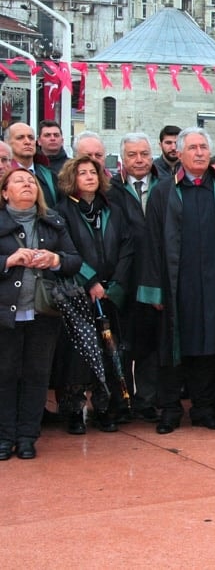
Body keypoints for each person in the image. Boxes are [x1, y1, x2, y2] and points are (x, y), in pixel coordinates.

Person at [138, 127, 215, 434]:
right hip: (175, 286)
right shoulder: (163, 191)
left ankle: (203, 409)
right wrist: (155, 290)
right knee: (173, 348)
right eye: (192, 148)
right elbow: (152, 241)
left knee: (209, 348)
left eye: (203, 147)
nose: (199, 152)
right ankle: (169, 410)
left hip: (213, 285)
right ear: (179, 154)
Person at [0, 168, 82, 460]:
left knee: (36, 374)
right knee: (5, 375)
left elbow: (74, 260)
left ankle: (26, 437)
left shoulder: (52, 222)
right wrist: (8, 260)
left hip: (43, 312)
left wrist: (55, 259)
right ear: (5, 192)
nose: (27, 184)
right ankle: (4, 435)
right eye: (19, 181)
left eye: (31, 181)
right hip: (6, 313)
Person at [53, 155, 134, 434]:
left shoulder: (112, 208)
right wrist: (91, 282)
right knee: (78, 355)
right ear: (71, 179)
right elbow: (67, 251)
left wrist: (114, 284)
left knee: (110, 351)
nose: (89, 177)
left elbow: (127, 246)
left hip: (111, 292)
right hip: (78, 293)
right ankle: (74, 411)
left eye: (93, 172)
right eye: (82, 173)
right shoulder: (62, 211)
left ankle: (104, 408)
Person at [107, 132, 159, 422]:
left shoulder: (166, 185)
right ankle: (122, 401)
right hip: (122, 279)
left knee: (151, 346)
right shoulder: (111, 190)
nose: (139, 160)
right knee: (121, 344)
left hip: (154, 280)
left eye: (143, 154)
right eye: (132, 155)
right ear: (123, 159)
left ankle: (146, 401)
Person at [6, 122, 59, 208]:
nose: (27, 142)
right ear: (7, 143)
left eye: (31, 138)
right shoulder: (3, 174)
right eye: (20, 138)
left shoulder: (50, 176)